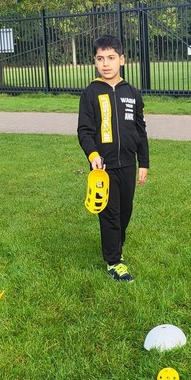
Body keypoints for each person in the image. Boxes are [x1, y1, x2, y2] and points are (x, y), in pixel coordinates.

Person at [78, 35, 149, 282]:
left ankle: (116, 246)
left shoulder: (133, 93)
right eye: (100, 59)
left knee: (124, 211)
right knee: (109, 212)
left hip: (128, 164)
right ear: (95, 62)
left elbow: (141, 130)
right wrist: (93, 155)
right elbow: (85, 131)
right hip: (103, 168)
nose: (106, 64)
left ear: (122, 59)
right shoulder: (90, 93)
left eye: (111, 58)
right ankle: (114, 261)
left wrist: (144, 162)